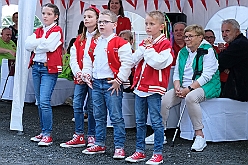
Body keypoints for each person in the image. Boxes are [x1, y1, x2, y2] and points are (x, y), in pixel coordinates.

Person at [81, 9, 133, 159]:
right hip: (97, 83)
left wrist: (119, 80)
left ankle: (119, 147)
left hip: (112, 83)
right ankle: (100, 143)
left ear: (114, 25)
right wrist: (87, 74)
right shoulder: (95, 42)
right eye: (100, 22)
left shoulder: (121, 43)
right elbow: (88, 60)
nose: (101, 24)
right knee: (98, 115)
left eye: (105, 22)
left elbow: (127, 64)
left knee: (116, 117)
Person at [161, 24, 221, 152]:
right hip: (184, 85)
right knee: (165, 99)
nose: (187, 39)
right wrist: (177, 87)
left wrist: (188, 89)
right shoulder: (183, 51)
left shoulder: (208, 50)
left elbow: (207, 76)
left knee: (191, 97)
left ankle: (200, 135)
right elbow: (177, 72)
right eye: (186, 36)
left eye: (190, 36)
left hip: (206, 85)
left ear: (200, 37)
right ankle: (160, 132)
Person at [125, 11, 173, 164]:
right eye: (146, 23)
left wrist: (149, 49)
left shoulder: (165, 44)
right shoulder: (145, 42)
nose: (148, 26)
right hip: (140, 87)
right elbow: (133, 60)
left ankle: (158, 153)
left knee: (156, 121)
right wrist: (142, 49)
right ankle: (140, 151)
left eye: (152, 24)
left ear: (161, 26)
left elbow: (158, 63)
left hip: (154, 88)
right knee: (139, 121)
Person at [60, 6, 100, 148]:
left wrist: (89, 74)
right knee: (77, 104)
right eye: (85, 17)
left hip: (94, 79)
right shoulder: (79, 39)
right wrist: (78, 72)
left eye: (90, 17)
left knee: (92, 107)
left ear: (97, 19)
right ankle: (78, 135)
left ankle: (92, 136)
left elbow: (100, 59)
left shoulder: (100, 39)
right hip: (80, 78)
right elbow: (73, 57)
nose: (86, 19)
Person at [25, 3, 63, 146]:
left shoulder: (57, 30)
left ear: (56, 16)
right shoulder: (39, 30)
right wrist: (40, 42)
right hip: (36, 67)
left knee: (44, 101)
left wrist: (37, 43)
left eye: (49, 14)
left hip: (48, 69)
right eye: (44, 13)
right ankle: (43, 131)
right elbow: (28, 45)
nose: (45, 16)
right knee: (40, 101)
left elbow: (49, 46)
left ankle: (47, 133)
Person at [144, 22, 187, 145]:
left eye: (182, 30)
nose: (179, 32)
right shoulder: (168, 45)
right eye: (176, 30)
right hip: (173, 81)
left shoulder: (192, 49)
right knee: (163, 101)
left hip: (191, 85)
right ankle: (159, 132)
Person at [218, 19, 248, 102]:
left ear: (237, 32)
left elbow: (220, 62)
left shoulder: (239, 44)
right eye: (222, 31)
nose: (224, 34)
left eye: (227, 31)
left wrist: (227, 66)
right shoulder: (237, 43)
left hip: (241, 92)